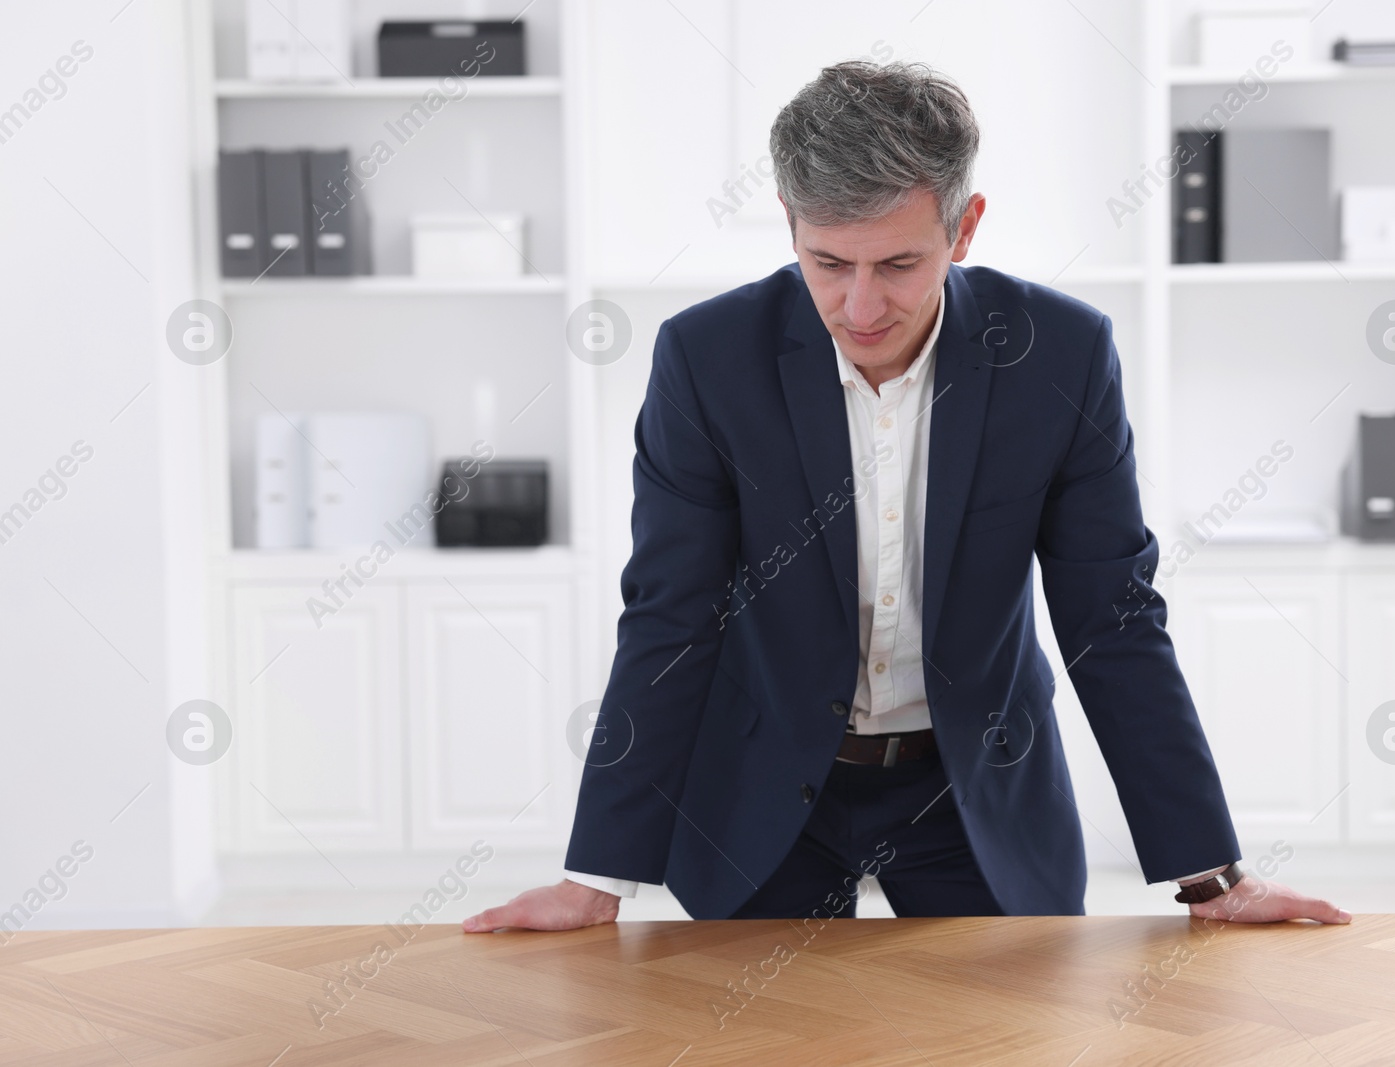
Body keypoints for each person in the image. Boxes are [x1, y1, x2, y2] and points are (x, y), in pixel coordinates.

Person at [465, 59, 1350, 933]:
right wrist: (597, 876)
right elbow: (670, 615)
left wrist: (1211, 876)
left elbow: (1111, 619)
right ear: (789, 224)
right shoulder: (707, 359)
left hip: (974, 791)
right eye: (826, 263)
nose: (858, 306)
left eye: (897, 263)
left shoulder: (1062, 357)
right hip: (766, 793)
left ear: (964, 230)